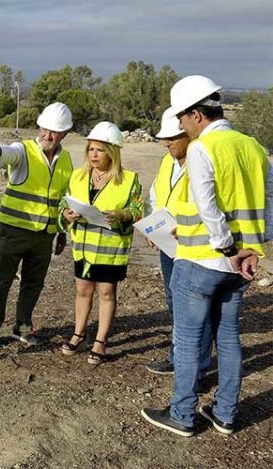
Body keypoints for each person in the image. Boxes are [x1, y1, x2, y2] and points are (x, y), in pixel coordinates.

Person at [141, 75, 272, 436]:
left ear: (198, 114)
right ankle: (226, 414)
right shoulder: (253, 146)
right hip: (240, 264)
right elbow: (269, 203)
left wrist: (228, 248)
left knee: (187, 340)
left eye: (182, 118)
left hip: (202, 259)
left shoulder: (203, 148)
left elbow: (208, 207)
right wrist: (253, 248)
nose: (180, 125)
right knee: (228, 337)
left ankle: (182, 415)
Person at [0, 103, 73, 351]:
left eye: (53, 131)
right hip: (13, 230)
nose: (46, 135)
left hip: (44, 235)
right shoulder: (24, 150)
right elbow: (6, 154)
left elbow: (64, 198)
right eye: (44, 129)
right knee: (0, 281)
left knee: (33, 283)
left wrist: (62, 231)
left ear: (64, 134)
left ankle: (23, 325)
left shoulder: (66, 161)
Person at [59, 122, 143, 364]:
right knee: (83, 290)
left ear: (113, 152)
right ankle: (79, 333)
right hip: (83, 248)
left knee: (106, 292)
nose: (93, 155)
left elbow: (137, 210)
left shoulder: (129, 180)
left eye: (100, 150)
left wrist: (122, 215)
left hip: (110, 249)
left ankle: (100, 341)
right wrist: (66, 214)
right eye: (90, 150)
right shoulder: (77, 176)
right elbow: (64, 204)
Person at [144, 108, 212, 376]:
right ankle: (178, 357)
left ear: (188, 132)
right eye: (165, 138)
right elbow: (156, 196)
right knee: (174, 302)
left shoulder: (202, 159)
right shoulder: (166, 161)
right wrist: (154, 226)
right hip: (168, 245)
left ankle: (199, 365)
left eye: (172, 137)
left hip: (194, 247)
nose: (167, 142)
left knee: (197, 310)